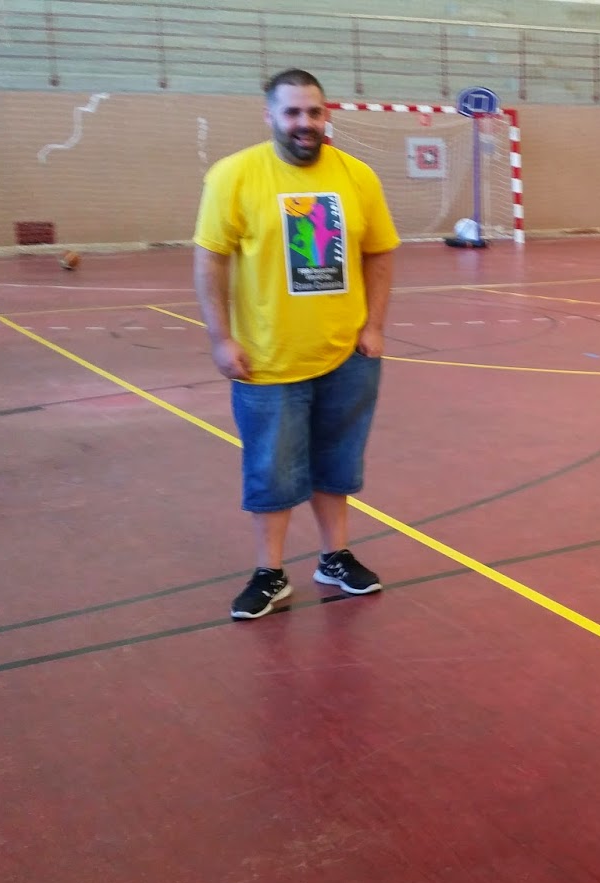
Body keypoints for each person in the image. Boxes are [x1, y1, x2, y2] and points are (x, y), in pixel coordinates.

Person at [192, 68, 401, 620]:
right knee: (272, 470)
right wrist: (220, 338)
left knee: (338, 463)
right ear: (269, 116)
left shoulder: (357, 176)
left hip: (347, 356)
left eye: (313, 111)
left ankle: (335, 558)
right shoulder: (234, 175)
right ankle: (270, 573)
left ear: (325, 114)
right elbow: (210, 259)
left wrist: (374, 327)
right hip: (267, 360)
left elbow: (380, 251)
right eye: (291, 112)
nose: (304, 122)